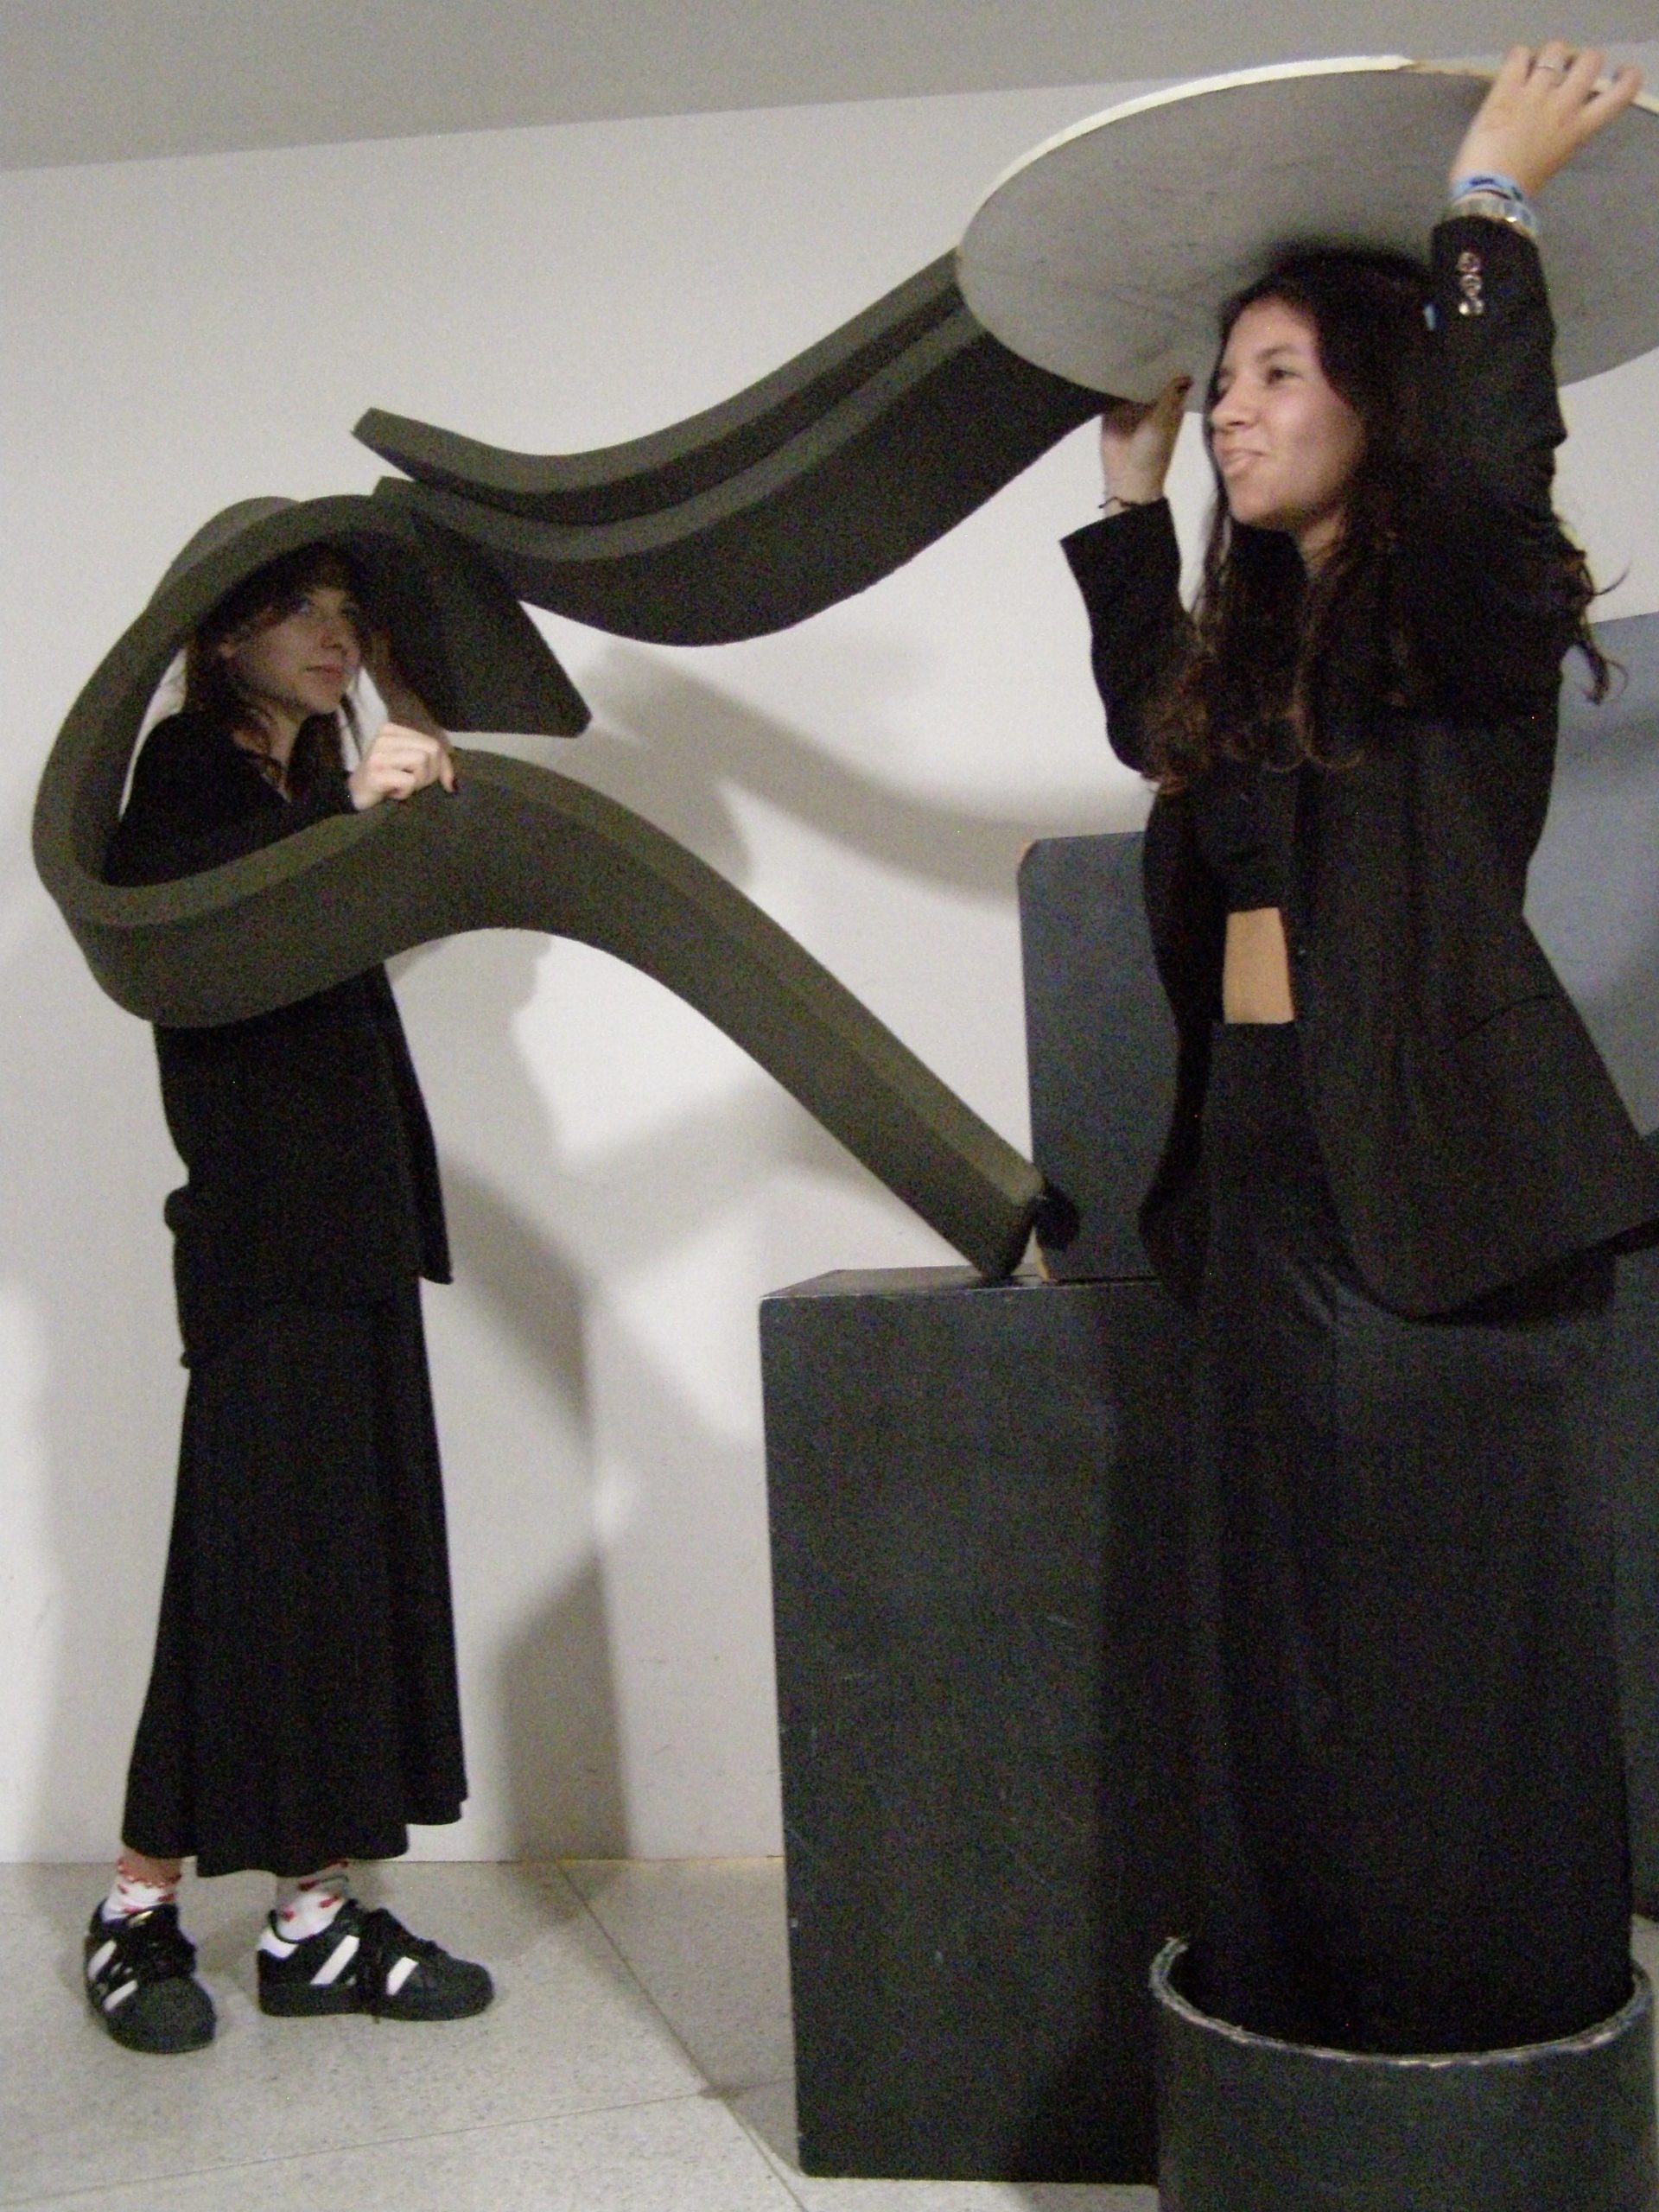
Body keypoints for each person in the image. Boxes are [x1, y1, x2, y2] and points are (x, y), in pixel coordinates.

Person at [1063, 42, 1655, 2052]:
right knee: (1280, 1632)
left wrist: (1488, 203)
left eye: (1276, 373)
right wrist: (1131, 499)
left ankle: (1472, 2041)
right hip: (1261, 1178)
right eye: (1226, 377)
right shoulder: (1264, 661)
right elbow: (1152, 719)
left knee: (1427, 1643)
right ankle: (1302, 2030)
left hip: (1429, 1193)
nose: (1234, 406)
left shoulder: (1461, 619)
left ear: (1376, 399)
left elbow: (1489, 474)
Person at [87, 543, 492, 2051]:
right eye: (301, 611)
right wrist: (342, 812)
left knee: (333, 1576)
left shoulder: (297, 781)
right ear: (226, 633)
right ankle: (135, 1909)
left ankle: (312, 1918)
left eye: (348, 613)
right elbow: (177, 922)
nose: (335, 636)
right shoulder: (192, 773)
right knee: (250, 1569)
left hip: (348, 1235)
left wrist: (380, 776)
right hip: (270, 1243)